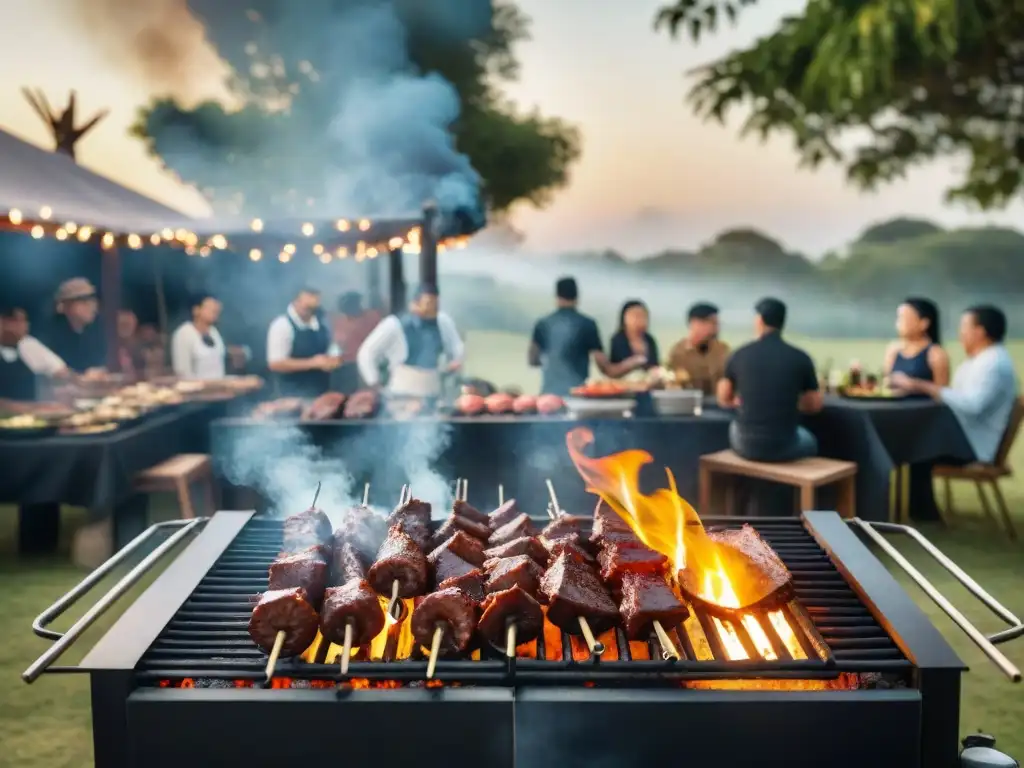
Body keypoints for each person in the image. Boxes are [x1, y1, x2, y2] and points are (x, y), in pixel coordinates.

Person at [891, 305, 1017, 464]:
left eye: (964, 327)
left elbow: (972, 405)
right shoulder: (981, 360)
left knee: (906, 444)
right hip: (963, 439)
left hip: (972, 447)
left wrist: (921, 386)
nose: (960, 334)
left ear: (980, 332)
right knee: (907, 441)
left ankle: (908, 489)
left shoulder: (993, 364)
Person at [718, 297, 822, 461]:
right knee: (810, 439)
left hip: (745, 445)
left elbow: (723, 398)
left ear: (759, 320)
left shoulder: (739, 354)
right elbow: (814, 405)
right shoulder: (800, 357)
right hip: (786, 446)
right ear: (783, 323)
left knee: (734, 426)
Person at [529, 277, 646, 395]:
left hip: (548, 395)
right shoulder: (587, 324)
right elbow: (605, 367)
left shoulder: (542, 324)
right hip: (577, 394)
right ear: (577, 297)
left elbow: (532, 360)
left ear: (556, 296)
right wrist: (633, 363)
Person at [357, 284, 463, 397]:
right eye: (428, 304)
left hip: (433, 390)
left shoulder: (443, 322)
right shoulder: (393, 324)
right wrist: (374, 382)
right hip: (402, 391)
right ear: (414, 305)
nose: (431, 310)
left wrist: (456, 361)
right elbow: (367, 352)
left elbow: (456, 345)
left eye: (435, 305)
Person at [266, 287, 339, 397]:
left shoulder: (323, 323)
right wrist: (313, 363)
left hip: (322, 392)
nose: (311, 310)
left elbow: (333, 346)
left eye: (313, 307)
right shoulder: (282, 325)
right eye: (307, 307)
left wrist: (334, 358)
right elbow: (275, 364)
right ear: (296, 302)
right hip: (291, 395)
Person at [0, 305, 68, 402]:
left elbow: (60, 371)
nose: (24, 326)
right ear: (4, 323)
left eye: (25, 322)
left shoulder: (27, 343)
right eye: (17, 321)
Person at [41, 277, 106, 374]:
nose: (92, 307)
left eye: (93, 301)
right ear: (63, 306)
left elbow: (100, 365)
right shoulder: (50, 338)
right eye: (84, 302)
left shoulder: (95, 333)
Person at [883, 297, 950, 387]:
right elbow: (885, 384)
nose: (899, 323)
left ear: (923, 323)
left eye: (904, 318)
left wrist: (913, 385)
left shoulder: (935, 354)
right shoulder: (893, 350)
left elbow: (942, 393)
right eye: (898, 317)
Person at [667, 302, 730, 394]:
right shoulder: (678, 353)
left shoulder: (723, 351)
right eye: (713, 323)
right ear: (695, 324)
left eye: (717, 324)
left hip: (718, 404)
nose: (716, 329)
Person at [332, 291, 382, 394]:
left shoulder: (372, 317)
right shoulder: (340, 321)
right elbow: (336, 344)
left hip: (368, 364)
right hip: (347, 367)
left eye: (352, 304)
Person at [172, 294, 228, 380]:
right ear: (196, 310)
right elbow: (182, 372)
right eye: (209, 308)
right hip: (197, 391)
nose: (214, 311)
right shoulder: (184, 334)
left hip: (219, 390)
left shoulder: (214, 332)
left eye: (216, 309)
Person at [607, 300, 660, 374]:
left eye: (643, 316)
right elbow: (612, 368)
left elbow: (655, 365)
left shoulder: (650, 340)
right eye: (635, 316)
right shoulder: (617, 339)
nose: (640, 320)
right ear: (624, 319)